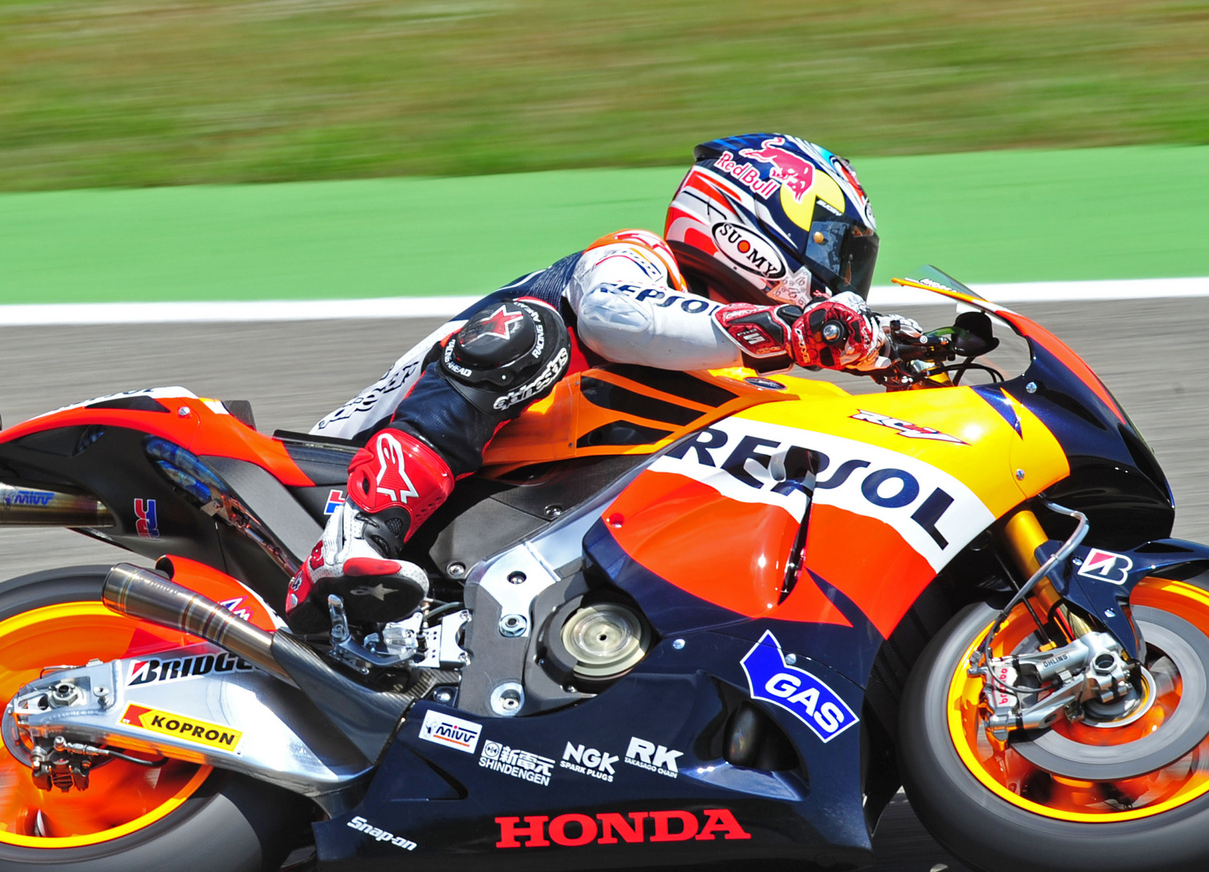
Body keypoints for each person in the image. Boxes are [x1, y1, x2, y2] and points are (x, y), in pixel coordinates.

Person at [287, 132, 923, 629]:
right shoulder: (634, 258)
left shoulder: (736, 357)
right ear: (760, 226)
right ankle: (358, 536)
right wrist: (791, 329)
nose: (842, 283)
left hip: (518, 500)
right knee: (528, 332)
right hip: (340, 467)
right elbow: (614, 317)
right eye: (835, 251)